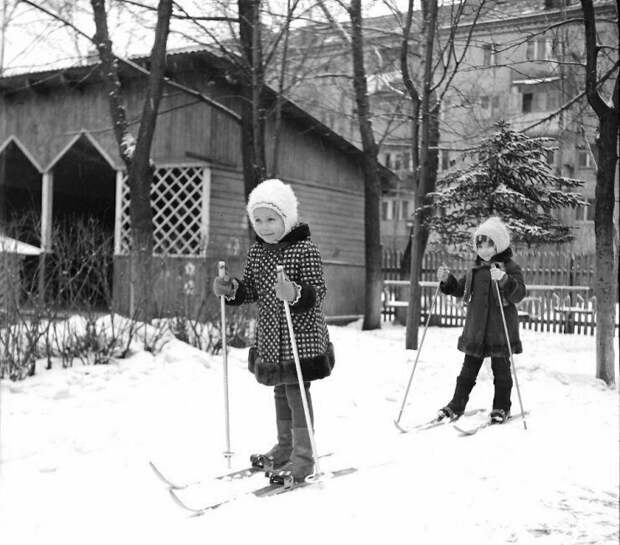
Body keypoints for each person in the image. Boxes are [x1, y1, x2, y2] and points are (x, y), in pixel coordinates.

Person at [212, 178, 334, 484]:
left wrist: (294, 292)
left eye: (271, 219)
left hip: (300, 334)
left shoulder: (304, 249)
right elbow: (252, 288)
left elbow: (318, 290)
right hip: (271, 333)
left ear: (287, 218)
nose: (264, 227)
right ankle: (285, 446)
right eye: (258, 220)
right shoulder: (258, 252)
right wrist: (233, 289)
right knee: (281, 389)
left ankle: (303, 458)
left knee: (296, 391)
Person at [436, 216, 526, 424]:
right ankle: (455, 405)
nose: (484, 250)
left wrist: (504, 279)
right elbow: (460, 289)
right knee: (467, 372)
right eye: (480, 245)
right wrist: (446, 281)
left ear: (499, 244)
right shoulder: (475, 269)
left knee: (501, 372)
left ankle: (502, 407)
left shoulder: (510, 268)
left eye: (489, 245)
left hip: (500, 331)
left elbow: (519, 294)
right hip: (476, 330)